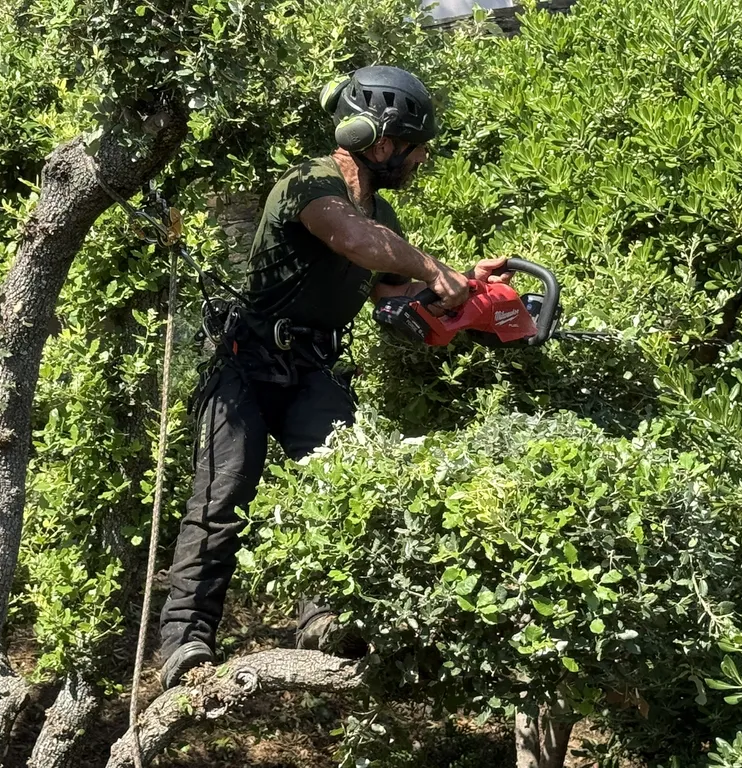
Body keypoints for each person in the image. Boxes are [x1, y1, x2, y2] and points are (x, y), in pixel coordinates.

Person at [157, 65, 512, 689]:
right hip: (245, 363)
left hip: (314, 365)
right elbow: (351, 239)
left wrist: (467, 295)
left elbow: (391, 293)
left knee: (332, 483)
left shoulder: (385, 220)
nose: (421, 158)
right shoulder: (309, 182)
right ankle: (184, 641)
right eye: (415, 145)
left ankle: (322, 622)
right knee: (222, 498)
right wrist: (434, 269)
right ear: (381, 142)